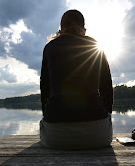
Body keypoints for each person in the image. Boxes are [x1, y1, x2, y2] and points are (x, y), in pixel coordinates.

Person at [39, 9, 113, 149]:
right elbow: (107, 88)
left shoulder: (49, 48)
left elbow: (45, 89)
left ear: (60, 30)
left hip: (55, 137)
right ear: (84, 30)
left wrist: (49, 115)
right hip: (97, 136)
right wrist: (105, 115)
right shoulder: (95, 45)